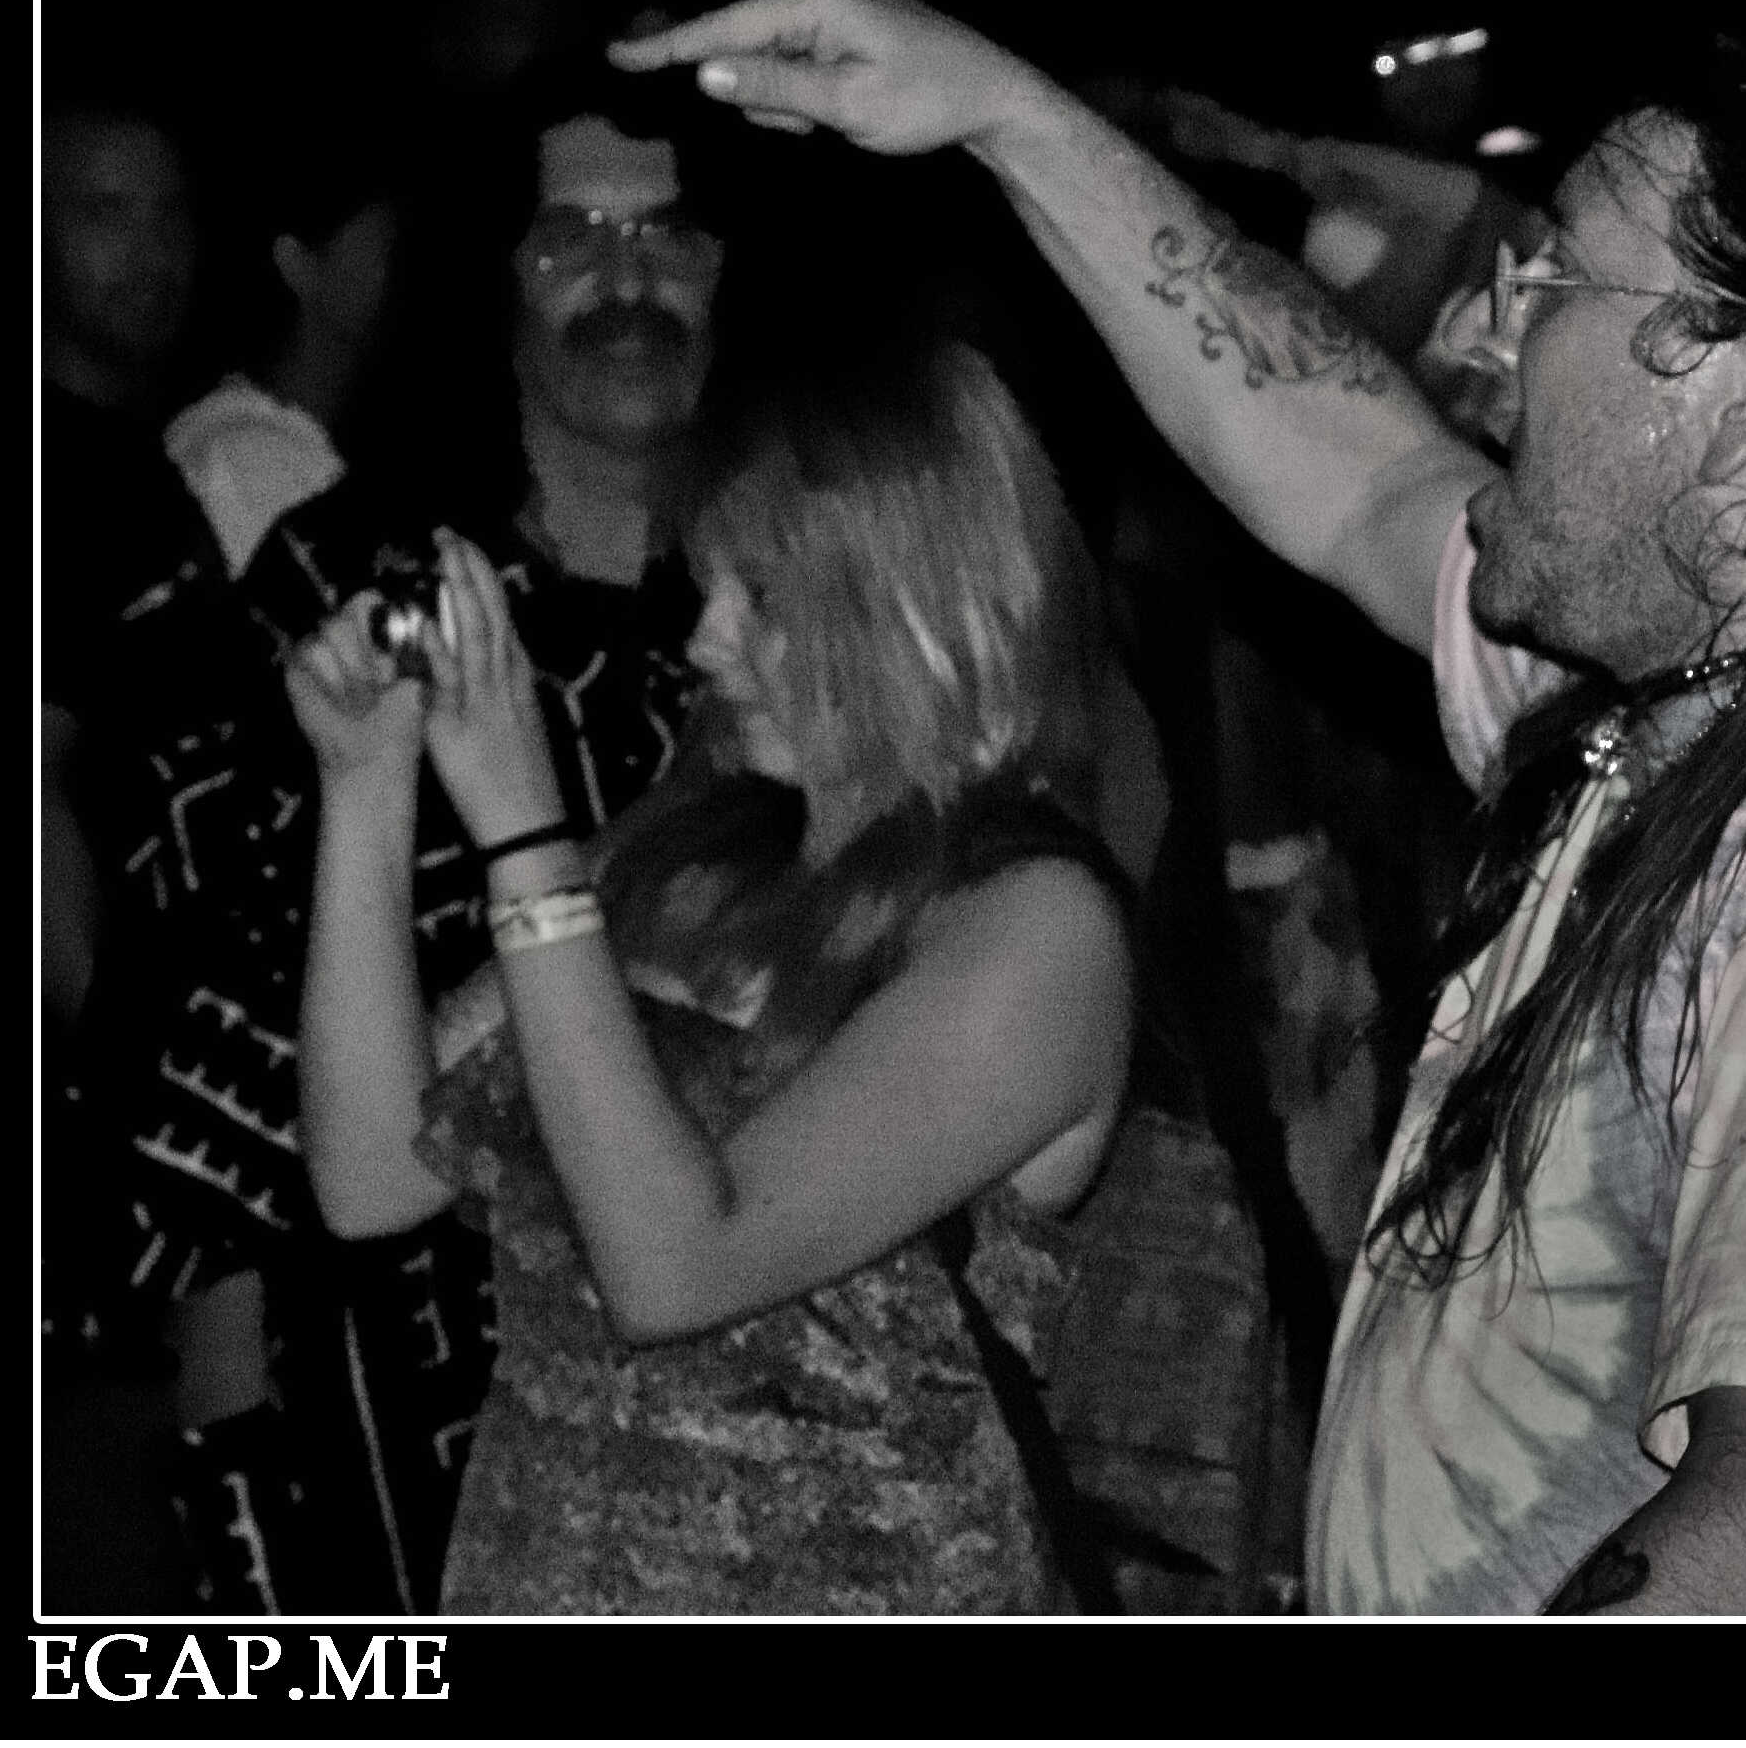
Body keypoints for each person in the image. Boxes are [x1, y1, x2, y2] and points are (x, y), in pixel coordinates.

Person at [616, 0, 1746, 1615]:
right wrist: (1007, 115)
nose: (1478, 331)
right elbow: (1356, 473)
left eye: (1557, 280)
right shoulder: (1715, 691)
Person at [285, 346, 1135, 1613]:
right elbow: (370, 1176)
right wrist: (365, 783)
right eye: (707, 583)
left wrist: (524, 832)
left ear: (918, 594)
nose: (705, 637)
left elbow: (677, 1264)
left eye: (764, 594)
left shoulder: (1037, 930)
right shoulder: (691, 849)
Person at [117, 100, 722, 1613]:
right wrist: (233, 1446)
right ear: (492, 279)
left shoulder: (797, 604)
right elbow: (203, 1018)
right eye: (570, 241)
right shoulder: (347, 579)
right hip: (388, 1393)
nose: (626, 283)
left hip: (734, 1395)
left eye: (666, 239)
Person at [40, 95, 231, 1613]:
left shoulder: (146, 464)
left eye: (169, 213)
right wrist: (105, 1078)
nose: (148, 250)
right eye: (104, 210)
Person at [166, 143, 405, 573]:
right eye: (379, 250)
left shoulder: (310, 441)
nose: (399, 274)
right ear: (298, 265)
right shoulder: (245, 457)